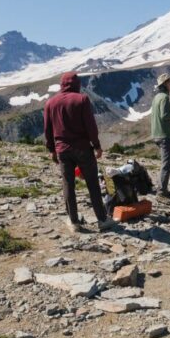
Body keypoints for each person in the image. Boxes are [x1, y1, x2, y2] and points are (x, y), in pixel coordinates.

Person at [44, 72, 116, 233]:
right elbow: (90, 126)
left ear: (62, 85)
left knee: (68, 185)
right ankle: (102, 219)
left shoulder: (50, 103)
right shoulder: (81, 99)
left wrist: (51, 150)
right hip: (83, 148)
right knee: (92, 184)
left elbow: (47, 130)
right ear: (76, 84)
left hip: (62, 149)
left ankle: (74, 221)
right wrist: (96, 145)